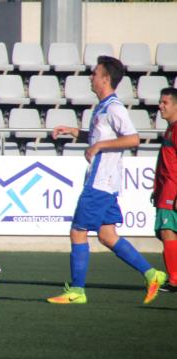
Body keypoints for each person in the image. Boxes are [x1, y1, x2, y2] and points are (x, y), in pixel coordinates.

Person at [47, 56, 167, 305]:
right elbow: (99, 137)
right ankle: (151, 273)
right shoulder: (102, 107)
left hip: (101, 182)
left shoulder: (114, 108)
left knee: (78, 232)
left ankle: (77, 291)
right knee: (107, 235)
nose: (91, 76)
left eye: (95, 73)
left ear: (105, 79)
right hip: (104, 181)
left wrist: (100, 144)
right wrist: (74, 132)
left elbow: (132, 139)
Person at [153, 87, 177, 293]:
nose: (160, 106)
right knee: (166, 233)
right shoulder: (170, 129)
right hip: (166, 190)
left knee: (167, 231)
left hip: (172, 191)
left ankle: (175, 280)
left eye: (165, 103)